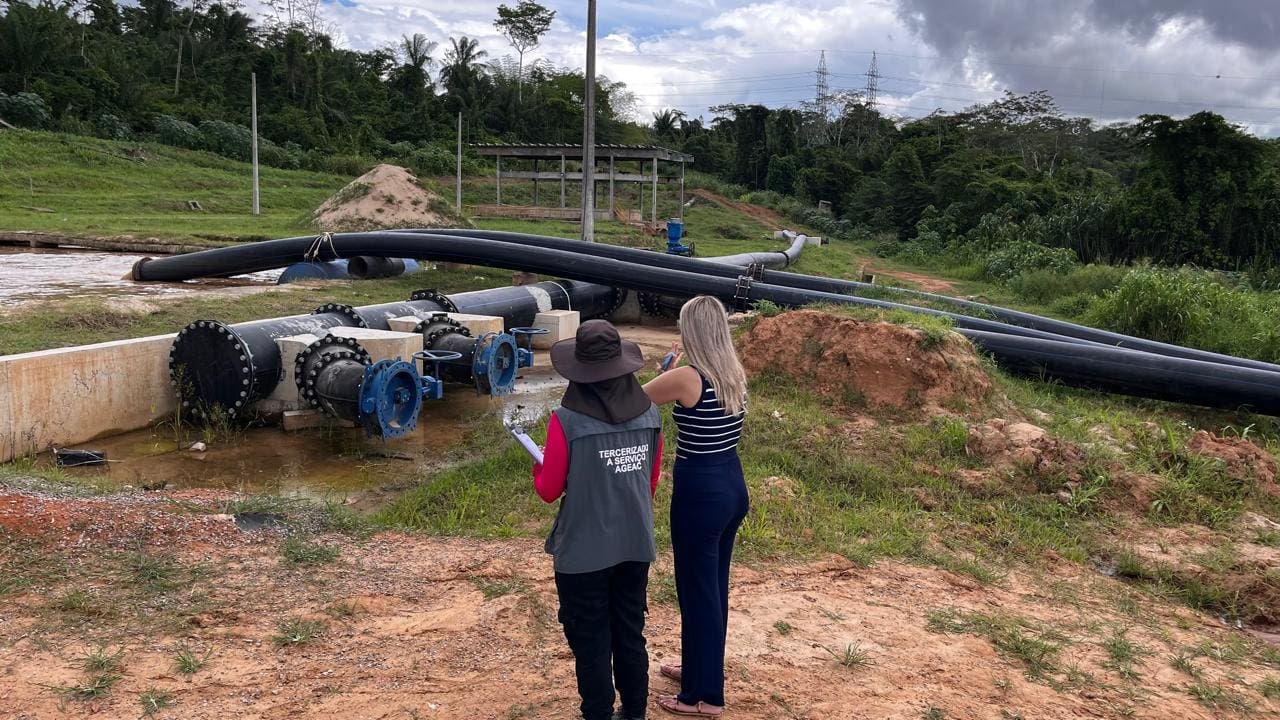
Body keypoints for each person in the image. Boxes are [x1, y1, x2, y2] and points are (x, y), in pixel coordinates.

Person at [533, 319, 665, 720]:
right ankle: (635, 712)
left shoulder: (566, 421)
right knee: (629, 631)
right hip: (634, 544)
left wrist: (541, 465)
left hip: (583, 552)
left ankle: (597, 713)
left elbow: (549, 489)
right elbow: (650, 482)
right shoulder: (651, 415)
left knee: (590, 639)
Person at [642, 296, 749, 718]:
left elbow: (631, 401)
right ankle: (700, 671)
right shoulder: (732, 371)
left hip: (700, 491)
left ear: (692, 332)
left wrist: (665, 372)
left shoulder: (687, 377)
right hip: (731, 484)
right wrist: (669, 373)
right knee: (712, 589)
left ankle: (703, 698)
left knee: (697, 591)